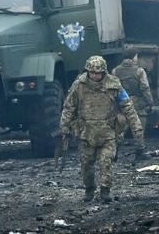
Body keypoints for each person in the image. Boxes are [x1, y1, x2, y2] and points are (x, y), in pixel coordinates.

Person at [59, 55, 145, 203]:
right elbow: (69, 107)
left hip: (108, 132)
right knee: (86, 165)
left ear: (103, 72)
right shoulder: (79, 85)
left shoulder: (113, 85)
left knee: (106, 162)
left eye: (97, 73)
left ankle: (105, 190)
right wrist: (65, 127)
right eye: (91, 72)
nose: (94, 76)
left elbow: (128, 107)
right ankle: (89, 189)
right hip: (86, 132)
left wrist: (136, 127)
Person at [111, 48, 155, 141]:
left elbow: (113, 89)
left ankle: (116, 147)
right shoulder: (139, 71)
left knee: (120, 129)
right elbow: (145, 88)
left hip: (122, 103)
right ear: (134, 57)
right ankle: (139, 147)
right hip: (137, 104)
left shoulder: (115, 71)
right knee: (139, 129)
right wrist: (150, 102)